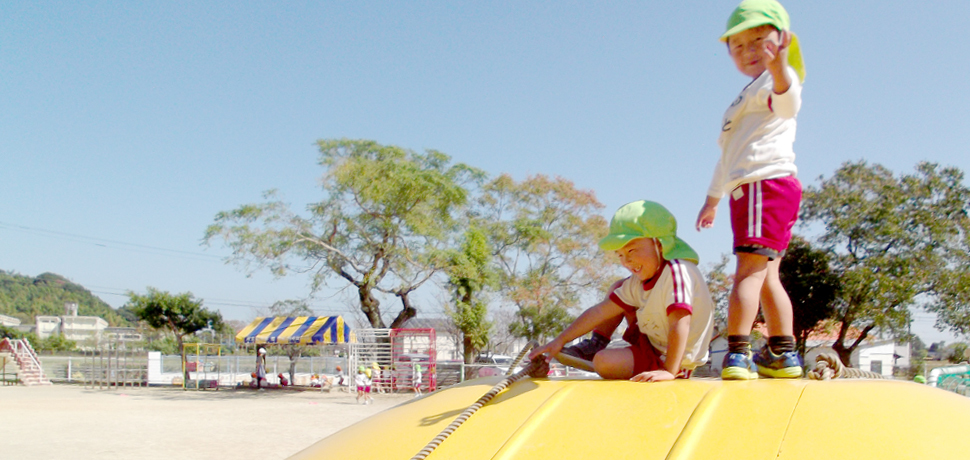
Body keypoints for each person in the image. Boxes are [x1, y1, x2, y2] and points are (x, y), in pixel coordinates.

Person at [695, 0, 806, 380]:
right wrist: (712, 200)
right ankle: (782, 353)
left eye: (760, 40)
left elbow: (788, 103)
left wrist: (780, 69)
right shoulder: (742, 99)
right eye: (738, 46)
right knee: (767, 274)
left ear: (782, 42)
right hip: (755, 188)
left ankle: (738, 352)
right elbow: (726, 157)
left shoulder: (776, 80)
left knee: (746, 274)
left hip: (764, 184)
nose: (749, 52)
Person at [530, 200, 715, 382]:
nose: (626, 262)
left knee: (604, 363)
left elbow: (680, 323)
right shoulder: (638, 282)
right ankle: (595, 344)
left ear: (659, 244)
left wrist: (669, 371)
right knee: (618, 291)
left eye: (632, 250)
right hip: (652, 346)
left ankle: (660, 368)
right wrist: (560, 340)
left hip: (676, 359)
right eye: (620, 255)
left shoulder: (677, 272)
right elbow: (601, 311)